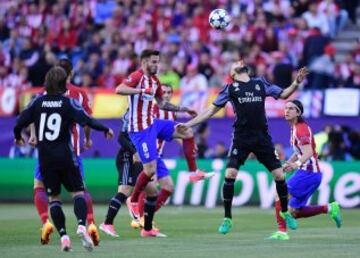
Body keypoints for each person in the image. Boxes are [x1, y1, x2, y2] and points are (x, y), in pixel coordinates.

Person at [184, 60, 309, 234]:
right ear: (232, 73)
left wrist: (297, 81)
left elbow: (284, 94)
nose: (238, 62)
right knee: (230, 174)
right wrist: (189, 124)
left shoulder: (260, 83)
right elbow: (210, 111)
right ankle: (227, 218)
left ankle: (285, 212)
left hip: (262, 138)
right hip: (241, 138)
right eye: (234, 63)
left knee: (279, 175)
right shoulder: (230, 89)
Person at [13, 66, 114, 252]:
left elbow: (19, 122)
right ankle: (82, 226)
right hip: (66, 156)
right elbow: (88, 120)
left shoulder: (37, 102)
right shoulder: (68, 103)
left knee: (54, 198)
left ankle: (64, 237)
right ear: (64, 83)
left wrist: (18, 136)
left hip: (46, 160)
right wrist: (105, 129)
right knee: (78, 193)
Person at [115, 49, 213, 237]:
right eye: (153, 62)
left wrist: (184, 109)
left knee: (186, 132)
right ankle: (135, 205)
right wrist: (141, 90)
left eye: (158, 62)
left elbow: (161, 104)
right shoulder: (138, 78)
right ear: (144, 62)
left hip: (155, 138)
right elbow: (119, 89)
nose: (156, 65)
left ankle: (193, 173)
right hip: (142, 137)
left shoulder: (156, 84)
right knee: (150, 179)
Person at [30, 58, 100, 246]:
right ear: (70, 74)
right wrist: (87, 139)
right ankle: (90, 223)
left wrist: (33, 135)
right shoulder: (79, 94)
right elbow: (87, 119)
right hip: (72, 150)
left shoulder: (43, 94)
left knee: (40, 186)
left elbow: (32, 115)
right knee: (80, 189)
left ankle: (45, 221)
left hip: (46, 150)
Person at [266, 100, 342, 241]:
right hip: (309, 173)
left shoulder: (300, 129)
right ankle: (329, 208)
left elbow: (308, 152)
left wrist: (297, 164)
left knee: (279, 194)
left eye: (291, 109)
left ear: (298, 112)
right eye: (286, 108)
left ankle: (282, 232)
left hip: (309, 173)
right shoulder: (295, 128)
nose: (287, 111)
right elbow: (299, 151)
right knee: (295, 212)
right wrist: (290, 162)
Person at [99, 111, 144, 237]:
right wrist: (134, 152)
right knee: (124, 190)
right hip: (127, 156)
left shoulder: (149, 111)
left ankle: (137, 207)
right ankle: (107, 223)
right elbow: (121, 138)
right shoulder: (132, 113)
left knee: (150, 186)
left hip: (140, 156)